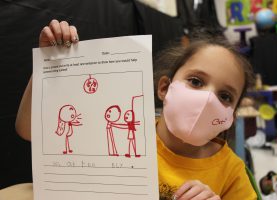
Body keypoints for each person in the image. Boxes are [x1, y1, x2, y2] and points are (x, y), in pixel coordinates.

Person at [15, 19, 257, 200]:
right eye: (195, 81)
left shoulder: (231, 172)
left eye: (225, 96)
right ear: (164, 88)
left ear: (231, 116)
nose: (207, 98)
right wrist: (48, 65)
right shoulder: (123, 136)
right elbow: (28, 131)